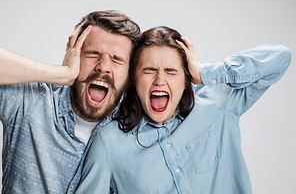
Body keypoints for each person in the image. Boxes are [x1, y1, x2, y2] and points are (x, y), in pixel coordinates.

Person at [75, 26, 291, 194]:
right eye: (149, 70)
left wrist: (205, 73)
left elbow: (280, 57)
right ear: (134, 80)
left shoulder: (218, 105)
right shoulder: (109, 142)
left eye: (171, 71)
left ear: (186, 79)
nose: (160, 80)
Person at [0, 10, 141, 194]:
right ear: (74, 54)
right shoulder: (32, 102)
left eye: (117, 59)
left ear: (129, 75)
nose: (103, 66)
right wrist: (63, 73)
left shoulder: (134, 130)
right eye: (92, 54)